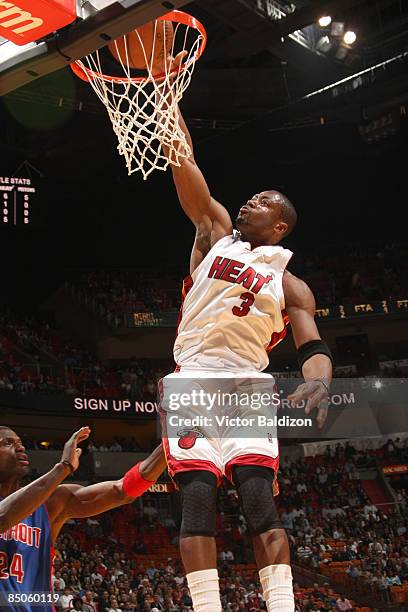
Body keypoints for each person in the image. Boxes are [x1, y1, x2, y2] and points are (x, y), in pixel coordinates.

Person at [158, 96, 333, 612]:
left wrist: (318, 381)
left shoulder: (291, 283)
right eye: (250, 198)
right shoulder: (214, 233)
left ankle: (282, 604)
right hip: (192, 378)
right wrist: (165, 102)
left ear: (280, 226)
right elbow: (184, 161)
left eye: (261, 202)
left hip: (245, 387)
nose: (248, 203)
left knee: (259, 501)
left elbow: (313, 345)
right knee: (195, 500)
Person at [0, 425, 167, 611]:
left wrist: (170, 445)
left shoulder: (50, 504)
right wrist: (64, 467)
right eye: (8, 443)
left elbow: (122, 491)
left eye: (20, 443)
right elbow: (4, 517)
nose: (20, 447)